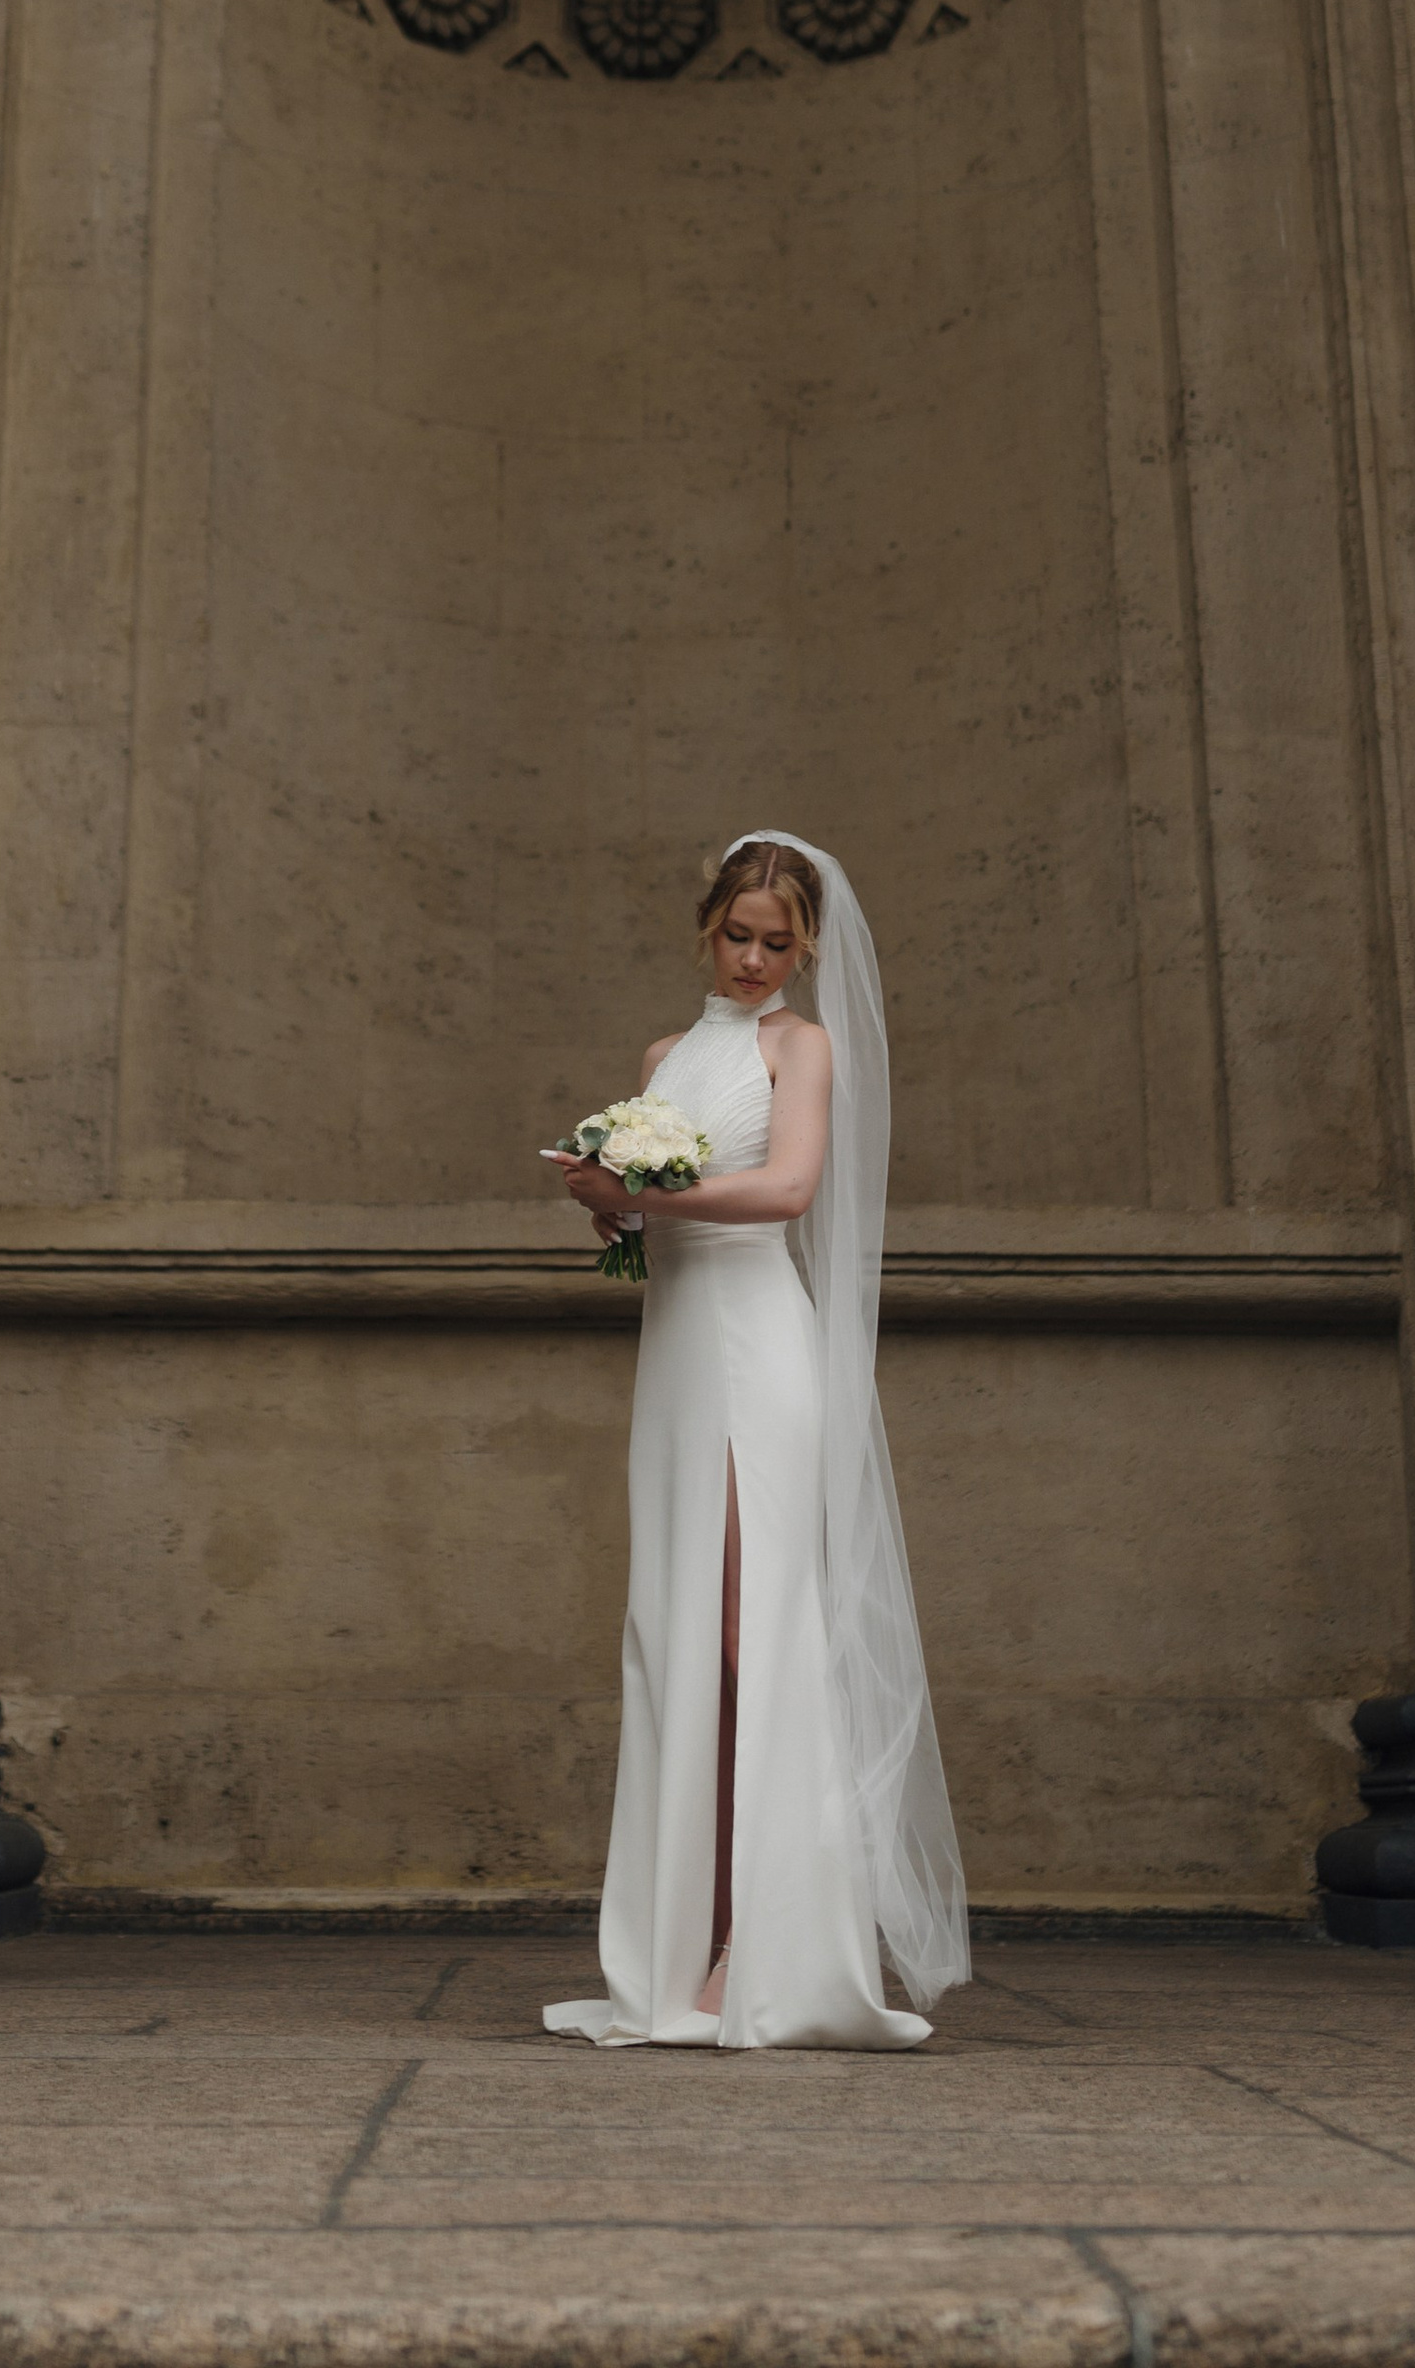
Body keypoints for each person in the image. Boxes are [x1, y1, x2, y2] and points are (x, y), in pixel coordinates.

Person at [542, 832, 971, 2050]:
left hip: (756, 1349)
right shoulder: (664, 1060)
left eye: (777, 942)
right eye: (736, 933)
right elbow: (645, 1237)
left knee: (751, 1633)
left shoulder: (804, 1045)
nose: (752, 958)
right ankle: (680, 1946)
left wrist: (649, 1195)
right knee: (675, 1629)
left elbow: (786, 1190)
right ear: (705, 927)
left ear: (806, 947)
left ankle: (763, 1944)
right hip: (677, 1353)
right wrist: (610, 1205)